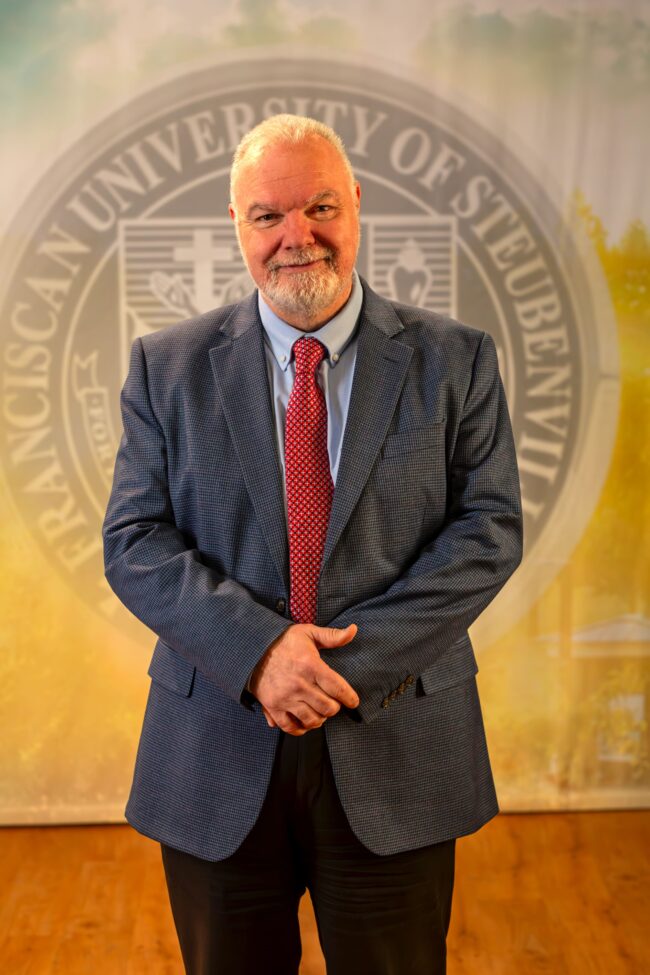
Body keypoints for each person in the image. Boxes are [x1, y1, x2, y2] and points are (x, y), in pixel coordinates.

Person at [103, 114, 523, 975]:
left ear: (358, 204)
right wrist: (261, 655)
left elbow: (488, 532)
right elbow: (135, 540)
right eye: (269, 216)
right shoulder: (165, 367)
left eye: (320, 206)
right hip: (217, 740)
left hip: (394, 734)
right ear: (237, 224)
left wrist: (334, 669)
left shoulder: (457, 360)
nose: (298, 236)